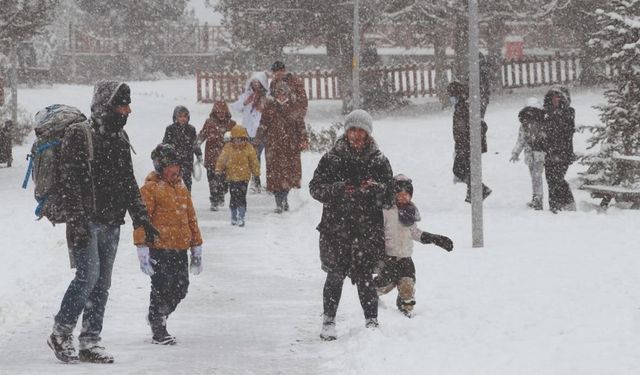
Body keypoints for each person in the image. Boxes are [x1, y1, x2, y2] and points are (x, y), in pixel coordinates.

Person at [48, 81, 159, 364]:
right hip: (85, 221)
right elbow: (69, 181)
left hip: (111, 221)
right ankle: (61, 332)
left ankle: (90, 340)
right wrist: (77, 219)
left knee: (102, 283)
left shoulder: (119, 137)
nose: (128, 110)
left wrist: (141, 217)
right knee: (88, 278)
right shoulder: (79, 134)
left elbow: (128, 182)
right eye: (123, 105)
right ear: (107, 105)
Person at [309, 109, 394, 341]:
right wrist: (337, 189)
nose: (356, 135)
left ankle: (371, 321)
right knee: (334, 276)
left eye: (361, 131)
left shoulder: (379, 160)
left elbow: (390, 197)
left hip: (367, 229)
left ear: (368, 134)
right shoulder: (332, 158)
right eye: (352, 130)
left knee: (365, 276)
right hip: (336, 228)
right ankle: (328, 320)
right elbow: (315, 188)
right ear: (346, 131)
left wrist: (375, 189)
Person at [134, 143, 203, 345]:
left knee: (181, 288)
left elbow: (191, 218)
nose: (177, 170)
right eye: (172, 166)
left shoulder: (182, 188)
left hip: (180, 248)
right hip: (159, 248)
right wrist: (142, 247)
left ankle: (158, 315)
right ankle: (158, 326)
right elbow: (141, 219)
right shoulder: (150, 189)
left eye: (178, 165)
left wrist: (196, 246)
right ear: (161, 167)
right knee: (161, 287)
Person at [375, 174, 453, 317]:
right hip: (388, 257)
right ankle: (371, 298)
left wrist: (434, 238)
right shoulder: (386, 211)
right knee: (384, 285)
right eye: (400, 194)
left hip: (405, 257)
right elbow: (377, 232)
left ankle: (405, 306)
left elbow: (414, 232)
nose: (403, 197)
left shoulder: (410, 211)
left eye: (407, 194)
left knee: (407, 285)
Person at [256, 81, 309, 213]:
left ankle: (284, 198)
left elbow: (301, 126)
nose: (281, 96)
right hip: (273, 147)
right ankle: (279, 203)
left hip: (290, 147)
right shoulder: (269, 108)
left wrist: (303, 140)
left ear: (288, 94)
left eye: (283, 93)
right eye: (278, 93)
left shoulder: (294, 108)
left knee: (288, 176)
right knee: (275, 176)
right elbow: (263, 125)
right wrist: (257, 140)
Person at [447, 81, 492, 203]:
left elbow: (478, 125)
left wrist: (467, 142)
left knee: (460, 169)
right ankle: (473, 193)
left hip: (467, 145)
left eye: (451, 95)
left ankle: (480, 189)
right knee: (468, 169)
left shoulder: (464, 108)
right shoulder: (462, 107)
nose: (450, 98)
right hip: (465, 145)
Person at [231, 72, 269, 193]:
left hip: (263, 132)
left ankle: (270, 182)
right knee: (254, 157)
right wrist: (245, 102)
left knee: (268, 158)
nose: (256, 85)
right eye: (254, 83)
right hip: (249, 132)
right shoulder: (247, 95)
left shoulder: (266, 97)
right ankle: (255, 181)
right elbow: (236, 107)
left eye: (258, 83)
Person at [215, 125, 260, 227]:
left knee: (242, 197)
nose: (239, 142)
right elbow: (222, 159)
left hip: (244, 177)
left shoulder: (249, 148)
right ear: (232, 139)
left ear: (245, 139)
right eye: (236, 140)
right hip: (232, 177)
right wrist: (218, 169)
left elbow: (254, 161)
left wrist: (256, 173)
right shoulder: (228, 148)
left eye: (241, 140)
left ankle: (241, 216)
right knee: (233, 197)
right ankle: (234, 215)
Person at [197, 100, 236, 211]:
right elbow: (202, 134)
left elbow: (238, 138)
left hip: (226, 159)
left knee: (224, 183)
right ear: (214, 113)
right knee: (212, 181)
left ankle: (221, 194)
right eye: (218, 113)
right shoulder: (209, 123)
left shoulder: (231, 124)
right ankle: (214, 200)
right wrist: (197, 143)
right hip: (211, 158)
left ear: (226, 113)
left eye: (223, 112)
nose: (221, 115)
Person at [510, 98, 547, 210]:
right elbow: (521, 140)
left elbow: (521, 140)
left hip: (538, 154)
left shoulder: (539, 124)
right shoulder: (526, 125)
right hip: (532, 155)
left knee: (536, 177)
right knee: (535, 177)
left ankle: (538, 199)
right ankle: (536, 197)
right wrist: (515, 152)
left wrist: (516, 152)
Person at [542, 87, 576, 213]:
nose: (555, 100)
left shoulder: (568, 113)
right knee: (550, 179)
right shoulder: (546, 114)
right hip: (550, 152)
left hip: (563, 152)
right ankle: (555, 205)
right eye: (553, 97)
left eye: (558, 97)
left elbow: (566, 131)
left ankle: (566, 204)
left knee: (558, 178)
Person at [162, 105, 202, 192]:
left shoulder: (191, 129)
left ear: (188, 117)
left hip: (187, 160)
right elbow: (165, 144)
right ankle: (175, 202)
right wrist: (166, 154)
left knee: (187, 182)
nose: (183, 119)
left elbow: (195, 144)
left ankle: (187, 200)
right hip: (173, 161)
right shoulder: (170, 129)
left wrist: (199, 154)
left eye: (185, 116)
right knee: (174, 182)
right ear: (175, 117)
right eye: (180, 116)